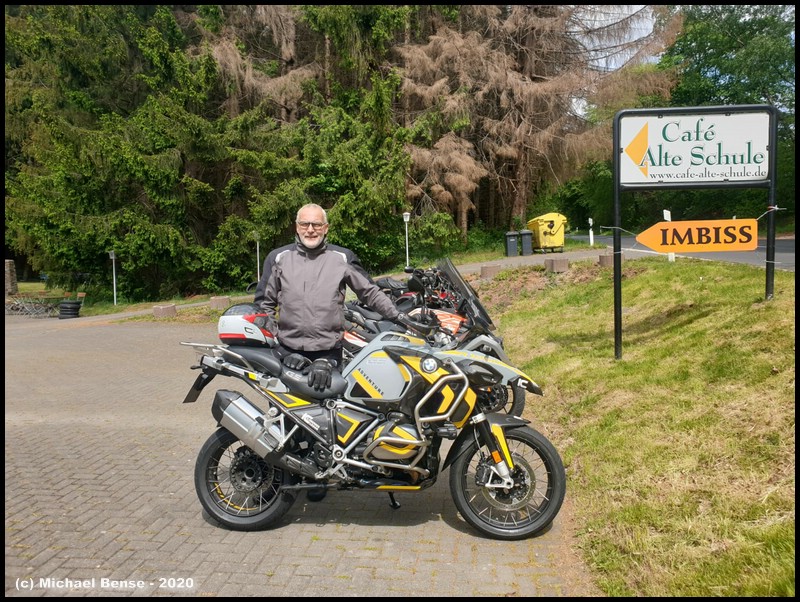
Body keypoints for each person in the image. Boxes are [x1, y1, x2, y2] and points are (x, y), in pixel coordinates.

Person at [256, 203, 403, 389]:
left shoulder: (342, 257)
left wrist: (399, 317)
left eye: (317, 224)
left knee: (329, 406)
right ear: (297, 227)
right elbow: (263, 306)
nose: (310, 230)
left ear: (326, 228)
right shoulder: (278, 258)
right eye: (304, 224)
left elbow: (370, 292)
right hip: (287, 352)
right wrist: (278, 347)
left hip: (328, 354)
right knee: (285, 406)